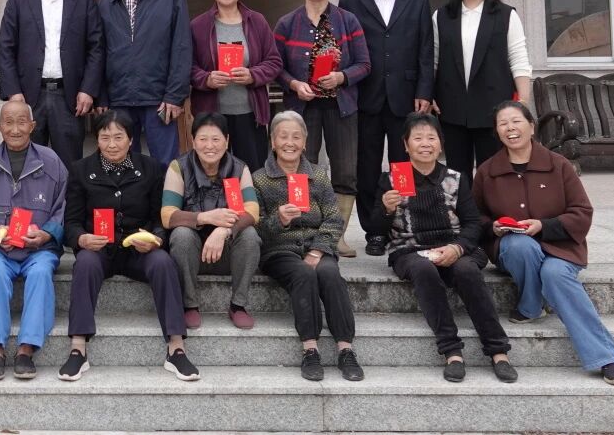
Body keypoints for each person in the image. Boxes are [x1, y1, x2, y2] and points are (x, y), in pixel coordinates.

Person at [473, 101, 614, 386]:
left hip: (561, 248)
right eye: (503, 124)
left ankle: (606, 356)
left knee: (554, 273)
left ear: (532, 127)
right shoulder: (487, 171)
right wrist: (492, 226)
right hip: (514, 250)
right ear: (497, 132)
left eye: (516, 121)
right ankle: (533, 305)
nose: (510, 128)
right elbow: (474, 217)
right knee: (521, 246)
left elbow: (582, 212)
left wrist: (544, 226)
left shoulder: (559, 165)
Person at [369, 112, 516, 383]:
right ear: (406, 145)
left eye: (431, 138)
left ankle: (498, 350)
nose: (425, 144)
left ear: (440, 144)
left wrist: (457, 248)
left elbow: (473, 223)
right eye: (418, 138)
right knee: (423, 270)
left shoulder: (455, 178)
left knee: (467, 271)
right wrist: (386, 209)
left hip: (453, 245)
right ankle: (451, 351)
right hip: (410, 250)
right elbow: (376, 229)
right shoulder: (392, 179)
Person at [59, 110, 199, 382]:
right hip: (101, 249)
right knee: (84, 262)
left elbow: (160, 217)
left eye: (118, 137)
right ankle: (78, 347)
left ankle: (176, 348)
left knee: (163, 262)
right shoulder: (80, 170)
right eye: (105, 137)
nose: (112, 144)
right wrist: (81, 239)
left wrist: (155, 238)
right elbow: (71, 222)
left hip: (138, 249)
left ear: (131, 140)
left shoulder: (151, 168)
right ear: (96, 140)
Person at [339, 0, 435, 257]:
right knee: (366, 167)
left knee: (402, 165)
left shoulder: (417, 1)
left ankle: (403, 225)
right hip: (364, 95)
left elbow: (426, 49)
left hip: (406, 97)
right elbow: (345, 50)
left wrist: (424, 91)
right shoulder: (350, 2)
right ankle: (375, 231)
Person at [253, 111, 363, 382]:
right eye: (283, 137)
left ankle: (345, 349)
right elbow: (256, 228)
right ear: (273, 142)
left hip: (317, 246)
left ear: (304, 142)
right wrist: (279, 220)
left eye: (296, 137)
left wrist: (318, 250)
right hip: (280, 250)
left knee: (329, 273)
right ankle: (310, 349)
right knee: (303, 274)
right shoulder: (259, 179)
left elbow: (334, 219)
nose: (289, 143)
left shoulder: (318, 175)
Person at [273, 0, 370, 258]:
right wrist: (293, 84)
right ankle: (304, 233)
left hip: (341, 106)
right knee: (301, 168)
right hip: (302, 109)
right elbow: (275, 66)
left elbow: (364, 64)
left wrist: (342, 77)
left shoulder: (347, 21)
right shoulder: (287, 23)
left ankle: (336, 236)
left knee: (345, 171)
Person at [0, 101, 68, 381]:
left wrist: (47, 233)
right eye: (9, 122)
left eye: (22, 122)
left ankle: (26, 349)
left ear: (32, 126)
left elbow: (64, 206)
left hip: (39, 249)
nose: (15, 129)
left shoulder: (52, 161)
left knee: (40, 273)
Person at [0, 0, 105, 166]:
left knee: (69, 163)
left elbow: (96, 47)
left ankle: (68, 193)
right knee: (25, 160)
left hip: (69, 96)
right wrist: (14, 93)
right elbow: (5, 48)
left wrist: (88, 90)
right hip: (28, 96)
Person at [433, 0, 533, 181]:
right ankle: (462, 205)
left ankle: (491, 206)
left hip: (493, 106)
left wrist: (523, 102)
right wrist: (430, 93)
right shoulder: (442, 16)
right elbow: (434, 59)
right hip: (452, 107)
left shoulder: (506, 14)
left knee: (493, 170)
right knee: (456, 173)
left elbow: (519, 58)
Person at [162, 113, 262, 330]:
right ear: (193, 141)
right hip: (191, 254)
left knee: (250, 236)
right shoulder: (179, 167)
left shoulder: (239, 168)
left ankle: (238, 305)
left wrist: (224, 230)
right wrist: (205, 217)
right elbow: (168, 215)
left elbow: (253, 211)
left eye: (216, 139)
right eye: (203, 139)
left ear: (227, 140)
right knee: (181, 234)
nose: (209, 146)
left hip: (227, 252)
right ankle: (189, 305)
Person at [99, 0, 191, 165]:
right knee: (122, 162)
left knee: (165, 164)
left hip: (159, 99)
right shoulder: (107, 1)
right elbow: (99, 51)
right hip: (119, 98)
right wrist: (102, 95)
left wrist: (174, 95)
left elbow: (181, 47)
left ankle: (166, 192)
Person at [188, 0, 283, 172]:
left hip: (250, 113)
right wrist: (207, 79)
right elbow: (188, 67)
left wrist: (253, 75)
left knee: (251, 168)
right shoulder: (198, 25)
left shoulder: (256, 21)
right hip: (212, 114)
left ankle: (249, 196)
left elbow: (274, 61)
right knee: (213, 169)